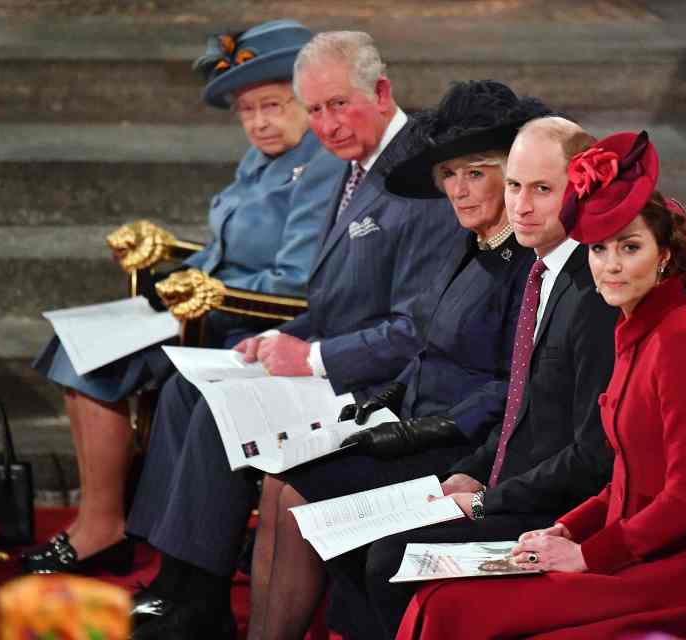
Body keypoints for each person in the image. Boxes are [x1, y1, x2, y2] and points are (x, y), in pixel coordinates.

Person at [125, 31, 461, 639]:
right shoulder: (350, 163)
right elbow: (335, 299)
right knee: (189, 386)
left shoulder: (419, 176)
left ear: (381, 93)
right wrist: (278, 337)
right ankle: (179, 581)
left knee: (217, 409)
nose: (326, 124)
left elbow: (416, 329)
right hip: (340, 356)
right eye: (314, 109)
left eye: (339, 104)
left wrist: (311, 355)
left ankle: (197, 600)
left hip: (387, 384)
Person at [24, 19, 337, 574]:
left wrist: (202, 291)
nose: (260, 122)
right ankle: (98, 518)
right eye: (248, 110)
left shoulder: (322, 164)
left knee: (94, 359)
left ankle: (104, 527)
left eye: (273, 104)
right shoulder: (261, 159)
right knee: (76, 345)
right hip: (212, 305)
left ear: (306, 100)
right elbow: (223, 250)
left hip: (254, 322)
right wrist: (170, 260)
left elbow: (295, 280)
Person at [396, 131, 686, 639]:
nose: (612, 265)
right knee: (438, 594)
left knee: (450, 607)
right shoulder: (634, 330)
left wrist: (586, 551)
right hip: (613, 542)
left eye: (631, 247)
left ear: (664, 255)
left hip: (663, 569)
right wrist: (568, 527)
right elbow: (623, 475)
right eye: (599, 249)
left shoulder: (684, 343)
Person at [246, 79, 548, 640]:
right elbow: (428, 344)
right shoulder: (469, 243)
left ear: (511, 175)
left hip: (459, 445)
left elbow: (513, 386)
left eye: (475, 173)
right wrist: (388, 399)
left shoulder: (524, 264)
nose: (458, 189)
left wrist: (418, 431)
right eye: (450, 174)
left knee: (294, 498)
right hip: (413, 425)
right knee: (277, 478)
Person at [303, 116, 618, 640]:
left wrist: (484, 500)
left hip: (557, 513)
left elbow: (591, 453)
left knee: (388, 559)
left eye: (543, 189)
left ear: (580, 190)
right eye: (515, 186)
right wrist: (471, 472)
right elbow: (523, 407)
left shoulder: (593, 293)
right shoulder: (545, 274)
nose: (521, 205)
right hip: (504, 480)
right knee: (340, 531)